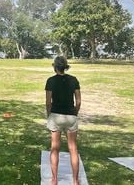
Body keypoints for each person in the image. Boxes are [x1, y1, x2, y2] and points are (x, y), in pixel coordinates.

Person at [45, 56, 81, 185]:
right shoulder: (73, 80)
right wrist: (74, 113)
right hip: (70, 116)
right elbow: (78, 101)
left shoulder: (50, 81)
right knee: (73, 149)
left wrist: (49, 115)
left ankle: (54, 180)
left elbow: (48, 103)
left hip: (55, 116)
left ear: (55, 66)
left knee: (55, 148)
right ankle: (75, 181)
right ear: (65, 66)